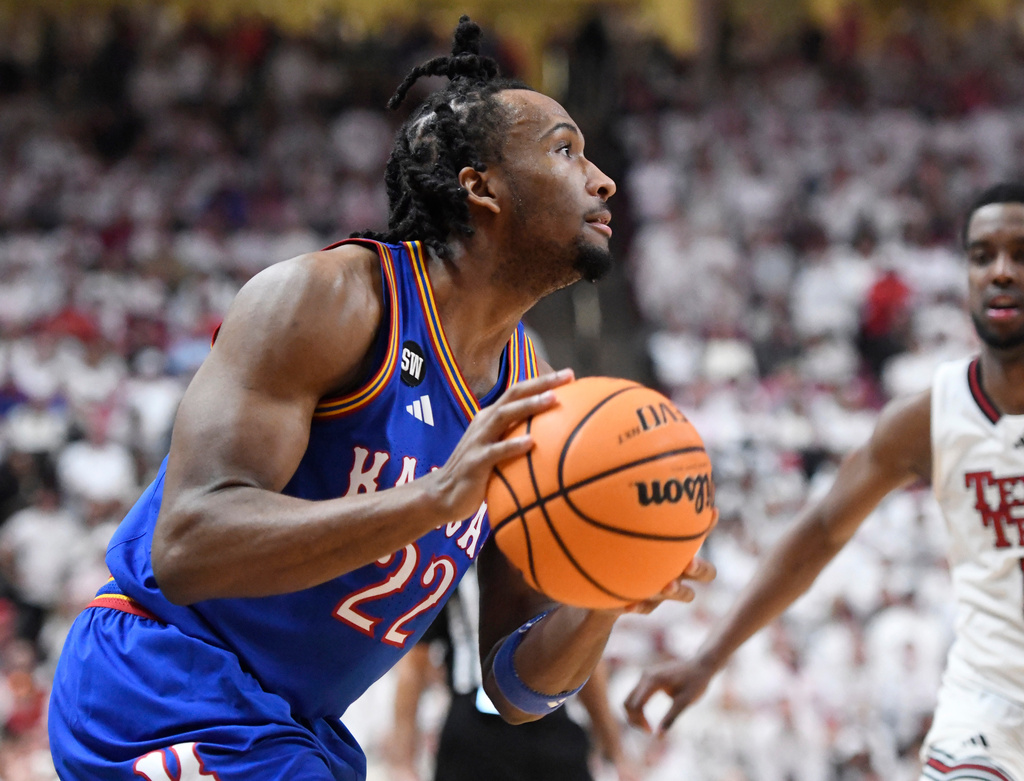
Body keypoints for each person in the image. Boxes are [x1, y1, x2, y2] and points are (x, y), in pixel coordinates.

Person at [48, 17, 715, 781]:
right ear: (481, 186)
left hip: (294, 728)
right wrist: (434, 498)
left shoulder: (533, 388)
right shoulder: (331, 300)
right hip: (162, 684)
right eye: (565, 150)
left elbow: (512, 690)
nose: (603, 179)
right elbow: (187, 548)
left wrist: (606, 590)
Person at [624, 181, 1024, 779]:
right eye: (982, 255)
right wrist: (708, 657)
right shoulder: (929, 417)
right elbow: (817, 536)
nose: (1001, 272)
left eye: (1020, 254)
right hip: (988, 708)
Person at [388, 566, 642, 781]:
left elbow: (587, 663)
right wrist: (402, 762)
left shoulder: (558, 559)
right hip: (475, 726)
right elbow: (414, 664)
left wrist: (616, 751)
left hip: (550, 721)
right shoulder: (456, 560)